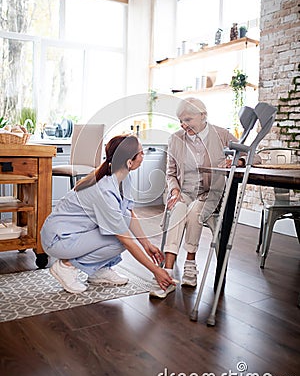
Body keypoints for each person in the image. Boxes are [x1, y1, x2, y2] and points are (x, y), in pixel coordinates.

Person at [149, 97, 261, 299]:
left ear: (203, 116)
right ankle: (167, 273)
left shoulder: (221, 135)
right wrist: (174, 191)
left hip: (211, 194)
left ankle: (190, 263)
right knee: (179, 209)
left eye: (189, 120)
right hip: (185, 192)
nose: (184, 125)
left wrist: (240, 159)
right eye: (181, 121)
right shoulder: (175, 139)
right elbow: (170, 173)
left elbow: (255, 154)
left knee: (194, 213)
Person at [41, 134, 175, 294]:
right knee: (120, 240)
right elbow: (127, 242)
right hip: (58, 239)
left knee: (121, 230)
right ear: (129, 162)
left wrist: (147, 245)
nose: (143, 155)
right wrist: (156, 271)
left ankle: (98, 271)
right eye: (141, 152)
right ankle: (66, 267)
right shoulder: (104, 190)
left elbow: (128, 212)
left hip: (76, 233)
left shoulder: (122, 177)